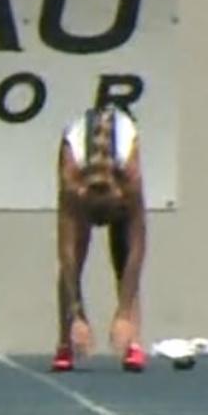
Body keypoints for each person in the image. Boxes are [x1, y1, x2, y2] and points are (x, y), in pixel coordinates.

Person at [54, 104, 148, 373]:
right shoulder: (71, 181)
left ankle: (133, 340)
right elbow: (66, 254)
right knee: (76, 253)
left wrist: (123, 312)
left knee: (124, 253)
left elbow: (137, 250)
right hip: (82, 162)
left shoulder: (131, 178)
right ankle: (65, 340)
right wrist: (77, 314)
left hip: (116, 166)